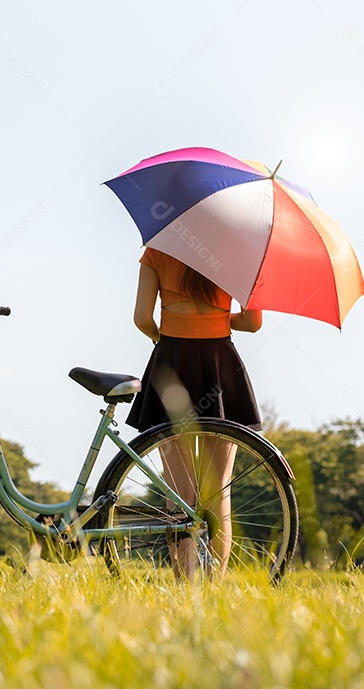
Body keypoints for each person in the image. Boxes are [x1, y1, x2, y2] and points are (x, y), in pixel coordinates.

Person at [126, 247, 262, 579]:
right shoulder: (241, 252)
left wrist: (167, 334)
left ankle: (184, 582)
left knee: (179, 494)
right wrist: (215, 315)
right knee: (219, 493)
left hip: (172, 363)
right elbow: (252, 322)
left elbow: (142, 318)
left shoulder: (157, 250)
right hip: (221, 366)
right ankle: (213, 586)